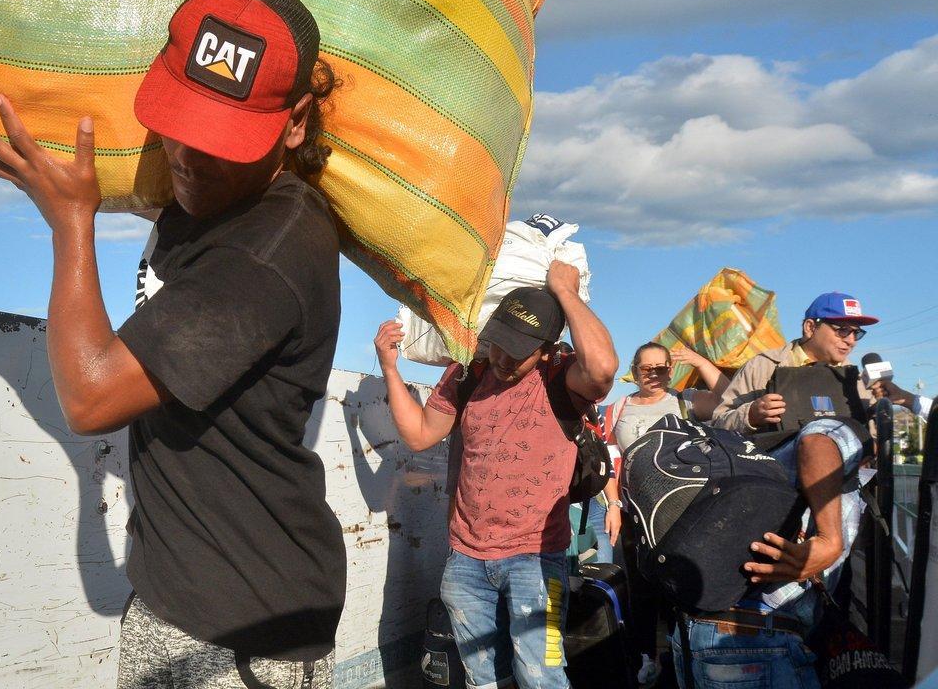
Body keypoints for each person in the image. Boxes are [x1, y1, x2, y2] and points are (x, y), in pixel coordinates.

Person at [0, 0, 344, 689]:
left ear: (294, 124)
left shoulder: (265, 253)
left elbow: (91, 396)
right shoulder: (217, 209)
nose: (190, 158)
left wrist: (72, 224)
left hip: (231, 624)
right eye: (182, 125)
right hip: (213, 592)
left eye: (223, 140)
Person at [374, 261, 618, 689]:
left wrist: (566, 292)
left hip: (537, 562)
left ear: (546, 349)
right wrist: (390, 370)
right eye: (499, 343)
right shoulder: (467, 372)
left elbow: (601, 369)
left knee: (541, 678)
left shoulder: (561, 378)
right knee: (481, 679)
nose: (502, 358)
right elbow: (418, 435)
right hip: (465, 559)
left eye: (518, 351)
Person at [669, 293, 881, 688]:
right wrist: (751, 414)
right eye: (841, 329)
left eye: (857, 333)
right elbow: (718, 424)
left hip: (832, 515)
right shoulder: (764, 365)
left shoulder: (856, 380)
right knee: (772, 604)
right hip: (773, 515)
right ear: (810, 327)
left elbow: (867, 443)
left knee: (829, 617)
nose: (850, 339)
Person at [597, 342, 731, 685]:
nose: (654, 375)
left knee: (682, 587)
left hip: (686, 513)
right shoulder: (617, 410)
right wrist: (613, 505)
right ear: (634, 369)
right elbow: (607, 463)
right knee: (642, 588)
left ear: (672, 369)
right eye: (646, 368)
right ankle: (647, 658)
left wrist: (701, 362)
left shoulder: (686, 401)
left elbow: (733, 399)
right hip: (636, 515)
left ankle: (683, 655)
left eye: (662, 368)